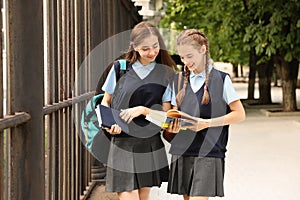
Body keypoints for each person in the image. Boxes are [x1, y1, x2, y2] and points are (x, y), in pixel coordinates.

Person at [166, 29, 246, 200]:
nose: (186, 62)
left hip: (209, 151)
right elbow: (174, 114)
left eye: (189, 56)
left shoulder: (221, 79)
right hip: (182, 150)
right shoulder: (178, 81)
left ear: (203, 49)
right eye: (182, 57)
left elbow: (239, 114)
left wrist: (206, 123)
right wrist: (170, 125)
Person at [101, 21, 176, 200]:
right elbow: (106, 101)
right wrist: (109, 124)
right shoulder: (120, 69)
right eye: (145, 49)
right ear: (134, 47)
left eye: (155, 46)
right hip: (122, 144)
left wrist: (143, 110)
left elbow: (166, 118)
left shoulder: (165, 74)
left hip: (149, 144)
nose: (152, 52)